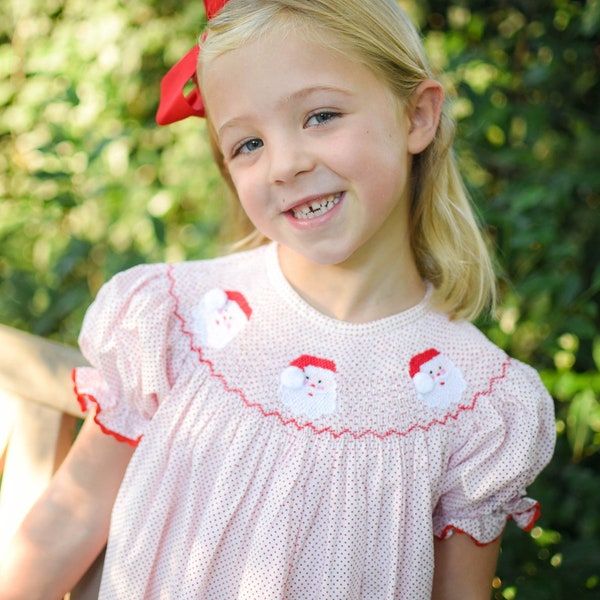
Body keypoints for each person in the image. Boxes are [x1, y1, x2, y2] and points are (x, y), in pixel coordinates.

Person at [0, 0, 556, 598]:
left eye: (320, 115)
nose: (285, 165)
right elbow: (71, 517)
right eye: (248, 145)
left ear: (417, 115)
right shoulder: (180, 320)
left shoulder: (476, 404)